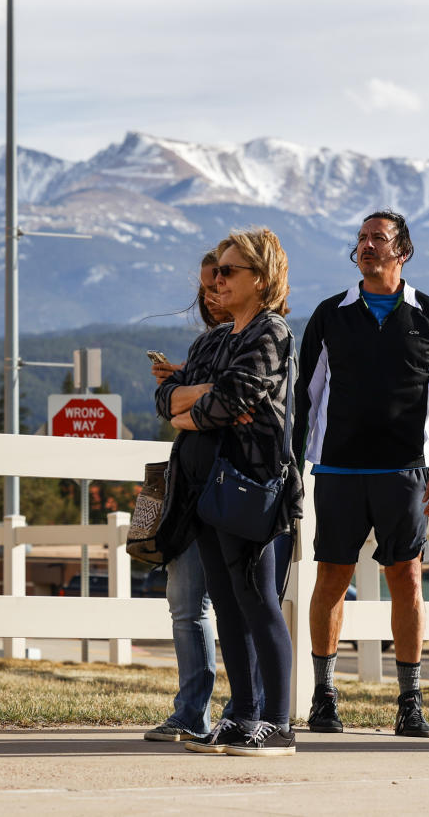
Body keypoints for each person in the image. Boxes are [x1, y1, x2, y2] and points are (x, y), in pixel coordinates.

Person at [293, 210, 429, 738]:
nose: (367, 246)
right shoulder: (330, 314)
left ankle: (410, 703)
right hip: (339, 470)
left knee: (407, 580)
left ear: (402, 252)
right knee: (331, 581)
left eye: (378, 239)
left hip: (405, 473)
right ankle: (324, 696)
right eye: (362, 238)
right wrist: (295, 467)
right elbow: (306, 395)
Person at [153, 228, 302, 757]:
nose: (215, 278)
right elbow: (166, 397)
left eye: (228, 271)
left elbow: (234, 397)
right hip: (206, 488)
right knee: (229, 604)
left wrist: (191, 410)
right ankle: (241, 715)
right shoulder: (220, 337)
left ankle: (278, 723)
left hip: (249, 484)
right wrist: (199, 402)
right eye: (217, 270)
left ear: (259, 280)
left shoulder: (271, 332)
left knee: (258, 599)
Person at [143, 249, 230, 742]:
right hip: (189, 487)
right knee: (185, 603)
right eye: (204, 285)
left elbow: (234, 395)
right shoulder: (203, 346)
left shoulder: (262, 338)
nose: (210, 292)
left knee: (238, 604)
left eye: (219, 280)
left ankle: (243, 709)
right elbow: (167, 406)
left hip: (233, 487)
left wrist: (187, 391)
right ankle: (191, 710)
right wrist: (189, 386)